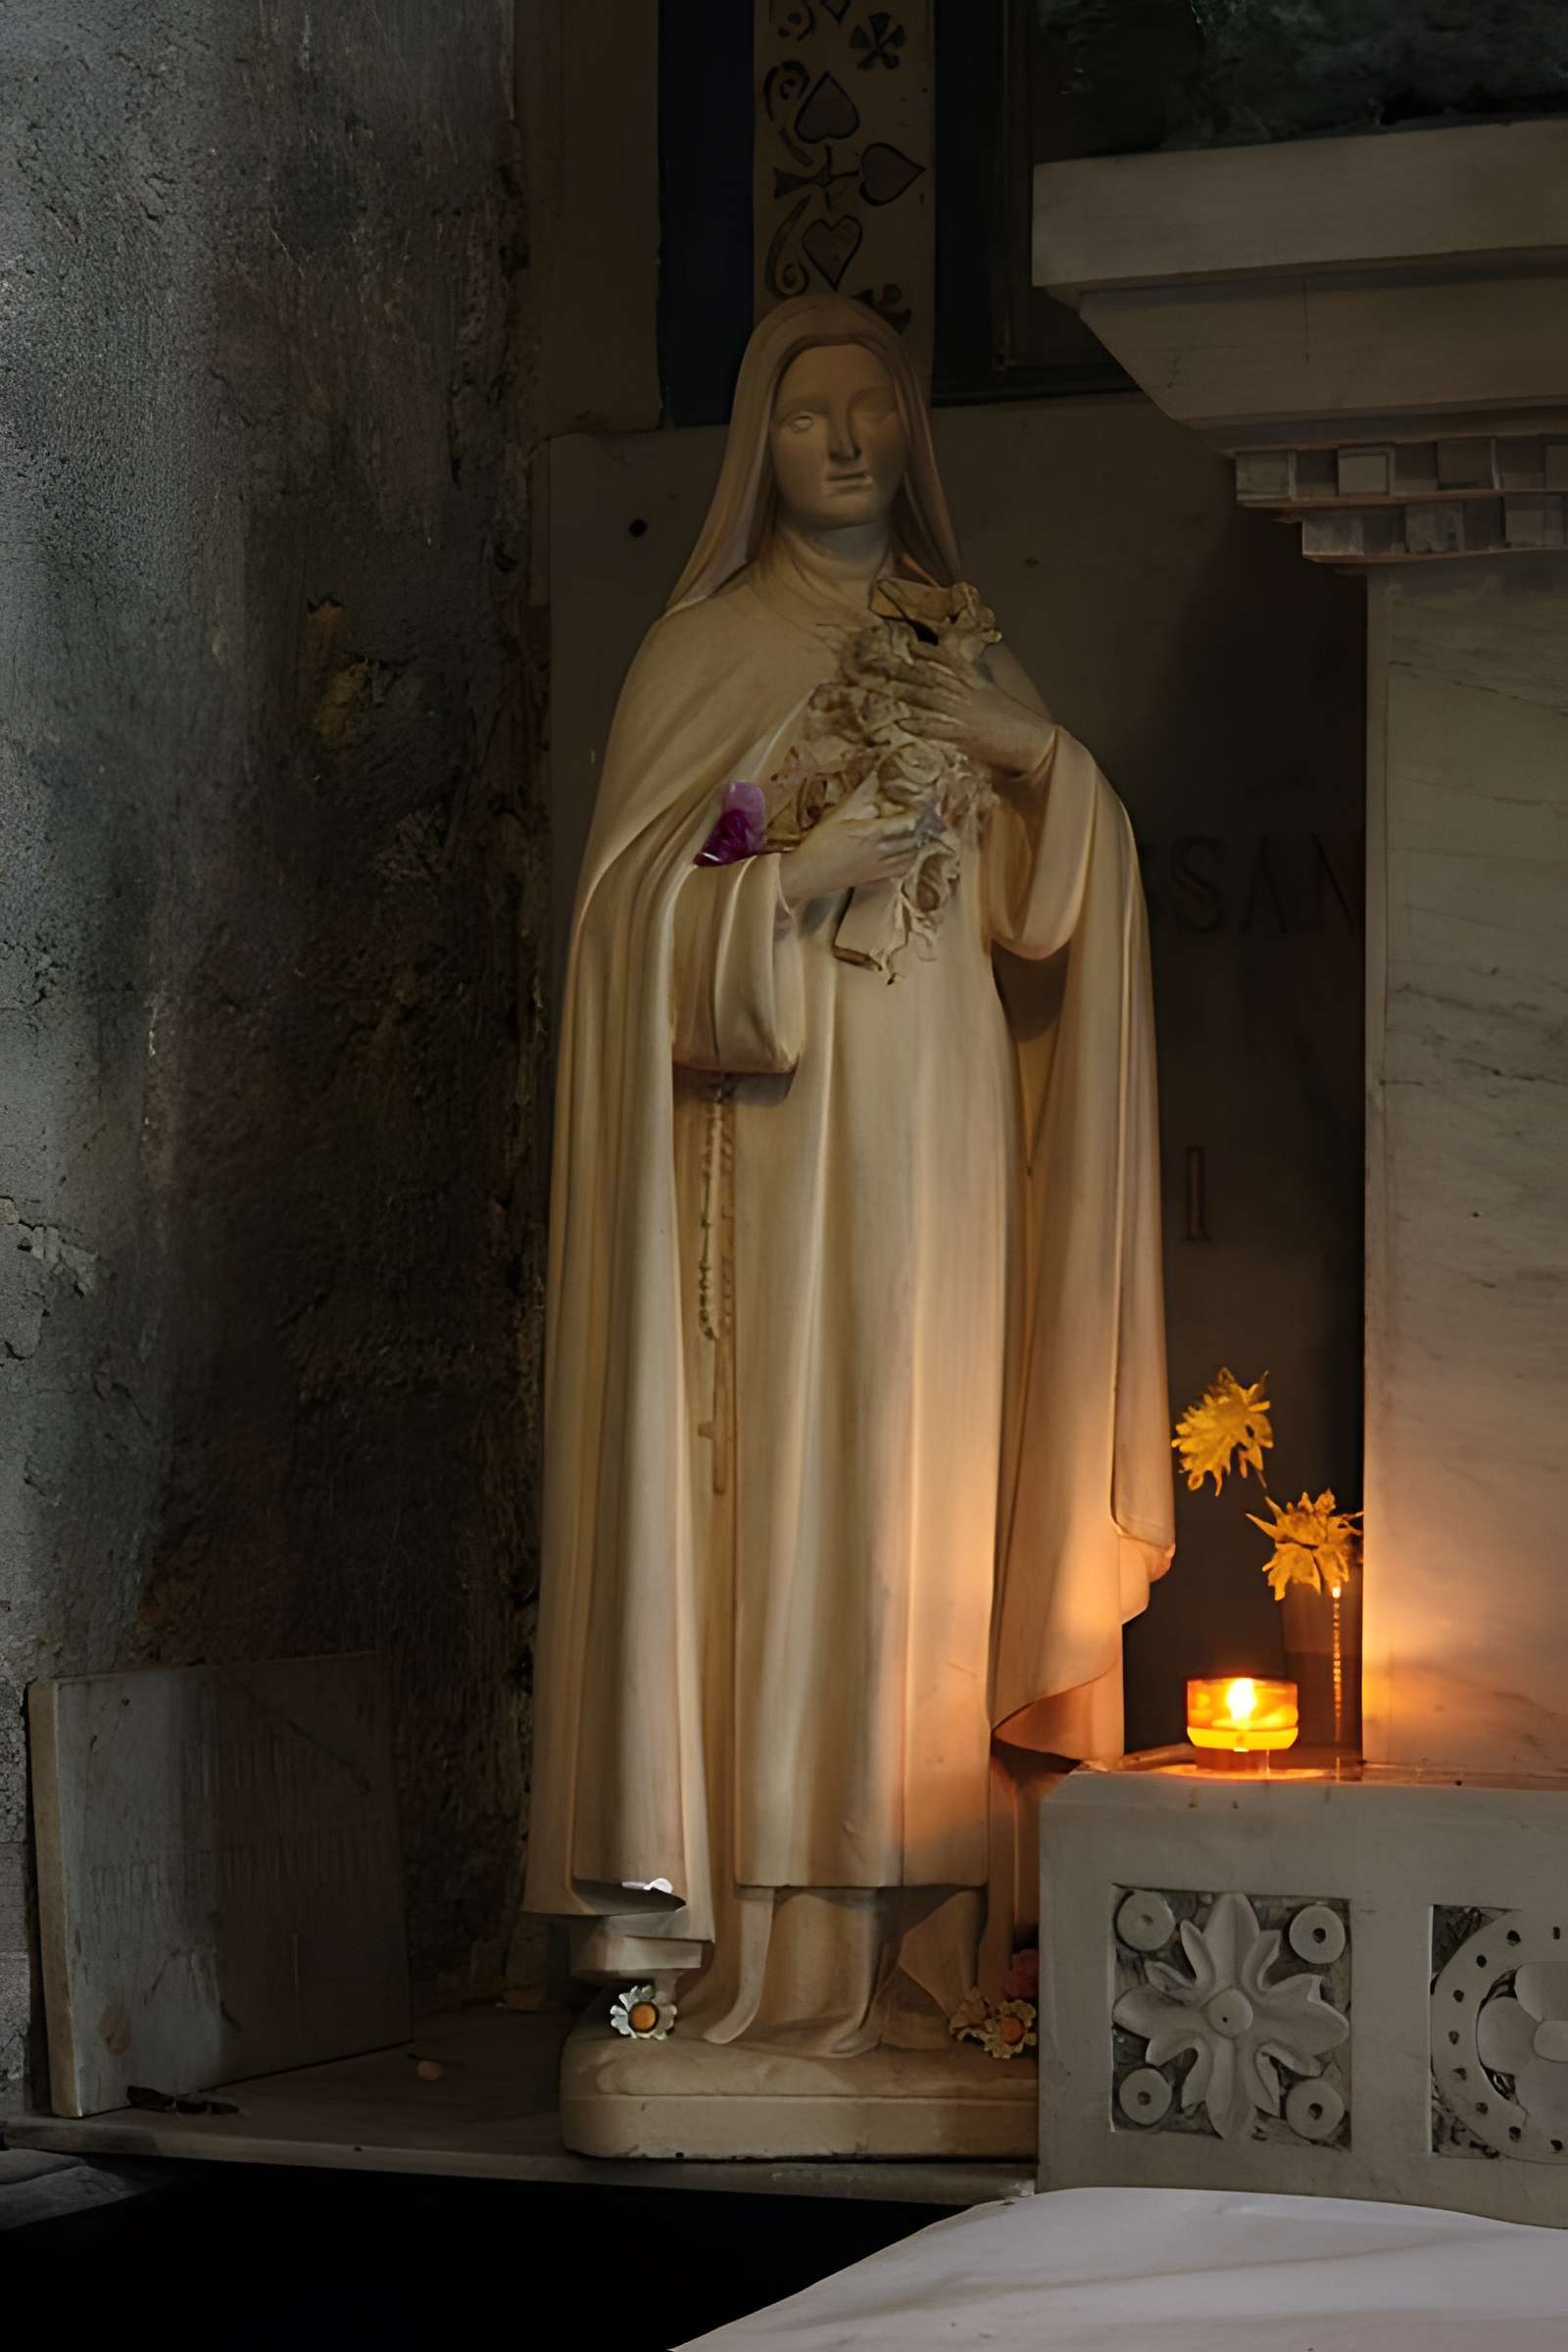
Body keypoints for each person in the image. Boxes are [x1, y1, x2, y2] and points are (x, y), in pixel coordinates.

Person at [525, 295, 1173, 2056]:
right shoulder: (701, 653)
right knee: (788, 1497)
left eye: (872, 409)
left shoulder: (957, 642)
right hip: (777, 1147)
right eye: (807, 413)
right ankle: (761, 1922)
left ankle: (932, 1937)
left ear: (911, 435)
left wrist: (1030, 754)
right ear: (760, 444)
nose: (843, 441)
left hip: (946, 1130)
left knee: (927, 1481)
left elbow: (1065, 890)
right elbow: (620, 941)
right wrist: (795, 874)